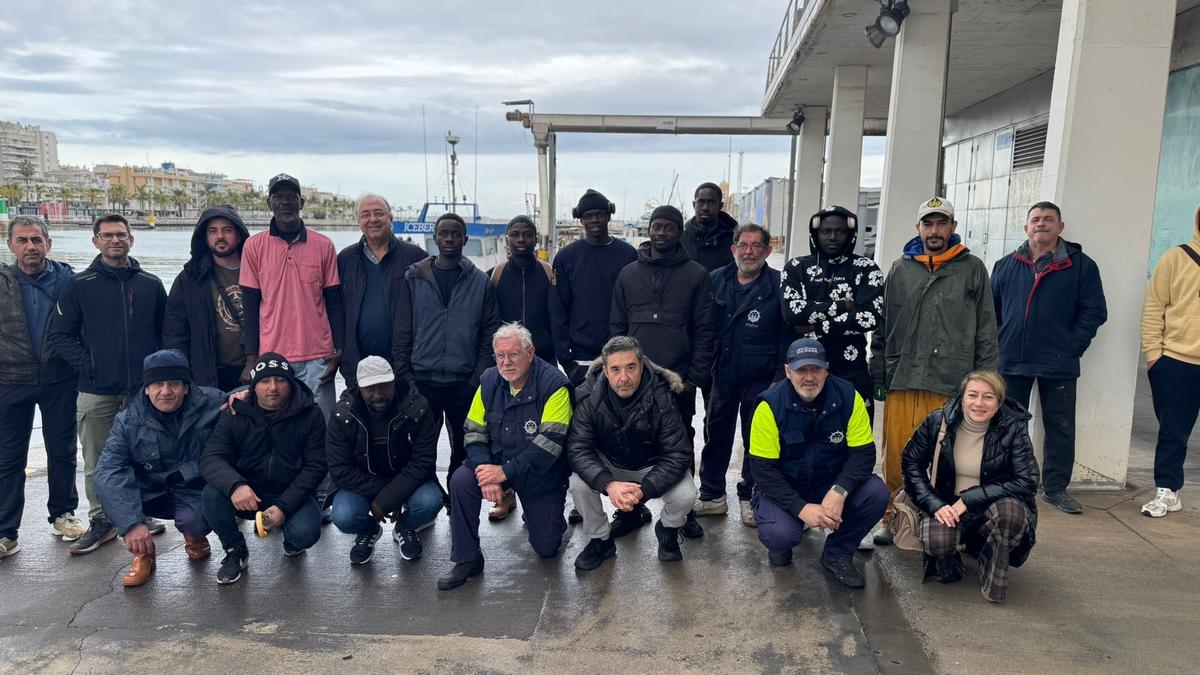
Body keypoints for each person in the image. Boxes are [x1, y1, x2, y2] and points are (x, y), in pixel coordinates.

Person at [869, 197, 997, 545]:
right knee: (896, 455)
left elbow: (986, 328)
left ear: (953, 227)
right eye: (928, 224)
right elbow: (882, 326)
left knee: (946, 460)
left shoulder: (972, 269)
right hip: (904, 378)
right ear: (919, 229)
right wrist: (878, 373)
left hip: (950, 381)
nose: (935, 230)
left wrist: (985, 382)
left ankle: (942, 522)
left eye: (942, 223)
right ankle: (893, 517)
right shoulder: (900, 268)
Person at [49, 212, 168, 555]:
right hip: (95, 390)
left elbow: (165, 335)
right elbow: (62, 336)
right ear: (96, 241)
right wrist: (92, 367)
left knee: (143, 456)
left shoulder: (150, 283)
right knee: (98, 460)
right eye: (107, 235)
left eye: (121, 235)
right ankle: (102, 520)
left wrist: (155, 377)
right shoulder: (79, 285)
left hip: (141, 391)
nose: (115, 240)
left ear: (131, 239)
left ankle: (138, 514)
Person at [992, 201, 1107, 515]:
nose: (1041, 224)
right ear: (1026, 226)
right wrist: (1001, 344)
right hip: (1012, 360)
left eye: (1048, 219)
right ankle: (1010, 481)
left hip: (1058, 361)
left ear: (1060, 227)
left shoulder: (1082, 266)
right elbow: (993, 313)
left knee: (1060, 426)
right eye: (1036, 219)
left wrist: (1072, 346)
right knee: (1008, 424)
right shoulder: (1005, 265)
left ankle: (1055, 489)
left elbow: (1095, 311)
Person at [438, 323, 572, 590]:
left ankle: (541, 515)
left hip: (538, 476)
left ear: (530, 353)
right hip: (497, 465)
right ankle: (467, 559)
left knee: (547, 548)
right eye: (500, 355)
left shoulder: (555, 385)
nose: (506, 362)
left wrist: (504, 473)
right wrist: (486, 472)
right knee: (461, 481)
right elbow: (473, 431)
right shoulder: (488, 381)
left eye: (513, 354)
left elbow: (548, 447)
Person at [611, 204, 716, 539]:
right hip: (634, 379)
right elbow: (617, 327)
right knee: (628, 441)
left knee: (681, 441)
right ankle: (630, 509)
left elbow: (704, 329)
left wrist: (695, 377)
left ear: (678, 232)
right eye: (657, 226)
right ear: (649, 230)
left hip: (678, 379)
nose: (662, 233)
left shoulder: (696, 274)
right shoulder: (628, 274)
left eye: (669, 228)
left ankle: (682, 512)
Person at [748, 339, 887, 589]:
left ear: (827, 369)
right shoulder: (768, 405)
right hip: (786, 487)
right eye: (801, 370)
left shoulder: (849, 396)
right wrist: (801, 508)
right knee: (780, 534)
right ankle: (784, 540)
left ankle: (837, 553)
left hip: (829, 484)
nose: (809, 377)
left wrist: (840, 490)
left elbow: (864, 454)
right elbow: (763, 470)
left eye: (816, 369)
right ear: (788, 371)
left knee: (876, 493)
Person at [901, 370, 1039, 603]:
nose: (979, 403)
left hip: (993, 505)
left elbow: (1027, 481)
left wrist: (969, 499)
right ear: (962, 397)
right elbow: (911, 462)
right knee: (937, 541)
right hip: (947, 503)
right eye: (972, 395)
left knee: (1011, 515)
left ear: (999, 401)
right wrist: (934, 504)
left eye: (988, 397)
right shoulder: (938, 420)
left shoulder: (1014, 427)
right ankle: (954, 556)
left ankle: (990, 556)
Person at [93, 350, 224, 587]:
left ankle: (194, 534)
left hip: (191, 487)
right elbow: (108, 472)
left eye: (174, 383)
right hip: (149, 490)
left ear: (186, 387)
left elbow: (248, 396)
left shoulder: (212, 403)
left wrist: (244, 395)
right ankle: (143, 555)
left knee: (199, 519)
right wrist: (131, 524)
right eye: (157, 384)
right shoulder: (127, 421)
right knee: (115, 495)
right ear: (146, 388)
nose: (165, 391)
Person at [567, 336, 697, 570]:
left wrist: (645, 489)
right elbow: (578, 448)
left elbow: (678, 453)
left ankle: (667, 529)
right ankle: (600, 540)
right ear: (605, 371)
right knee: (578, 484)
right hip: (611, 465)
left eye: (630, 368)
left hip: (652, 465)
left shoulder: (663, 395)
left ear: (642, 366)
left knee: (686, 494)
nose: (624, 377)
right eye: (615, 369)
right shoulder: (588, 396)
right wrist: (608, 484)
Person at [200, 352, 327, 584]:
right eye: (265, 381)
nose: (273, 388)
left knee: (306, 533)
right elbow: (211, 458)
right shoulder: (234, 412)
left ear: (291, 384)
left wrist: (284, 507)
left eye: (280, 381)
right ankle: (234, 550)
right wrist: (236, 485)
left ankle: (291, 539)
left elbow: (316, 466)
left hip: (290, 493)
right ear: (253, 386)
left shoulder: (311, 414)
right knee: (211, 494)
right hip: (248, 494)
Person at [0, 216, 84, 558]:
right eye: (23, 240)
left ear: (48, 243)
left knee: (62, 451)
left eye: (36, 239)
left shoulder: (69, 281)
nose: (30, 247)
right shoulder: (2, 282)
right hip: (10, 380)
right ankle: (6, 531)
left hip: (59, 379)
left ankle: (63, 514)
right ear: (11, 246)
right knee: (8, 457)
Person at [399, 212, 501, 488]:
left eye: (456, 234)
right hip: (422, 381)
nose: (449, 239)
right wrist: (407, 379)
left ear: (465, 239)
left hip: (463, 382)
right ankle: (428, 497)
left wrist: (475, 379)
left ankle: (457, 499)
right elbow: (403, 333)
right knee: (422, 447)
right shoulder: (414, 279)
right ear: (435, 238)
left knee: (465, 447)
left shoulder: (480, 282)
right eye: (444, 233)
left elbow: (488, 334)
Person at [695, 223, 786, 527]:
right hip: (722, 374)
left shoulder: (778, 285)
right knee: (716, 435)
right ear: (733, 249)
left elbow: (786, 334)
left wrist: (778, 378)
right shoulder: (716, 280)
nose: (749, 252)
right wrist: (704, 369)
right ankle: (712, 496)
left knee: (755, 440)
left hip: (761, 378)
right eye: (743, 245)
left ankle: (751, 496)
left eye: (756, 246)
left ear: (767, 250)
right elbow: (704, 329)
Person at [240, 173, 344, 419]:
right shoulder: (253, 247)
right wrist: (251, 358)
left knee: (323, 424)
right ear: (269, 204)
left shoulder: (324, 245)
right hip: (272, 357)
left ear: (301, 203)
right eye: (278, 197)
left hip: (317, 356)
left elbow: (334, 302)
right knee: (277, 427)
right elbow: (251, 306)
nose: (285, 202)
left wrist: (339, 349)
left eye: (291, 197)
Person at [326, 356, 442, 564]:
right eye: (370, 388)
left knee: (430, 502)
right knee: (343, 515)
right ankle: (368, 530)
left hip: (409, 479)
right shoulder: (341, 415)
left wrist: (389, 498)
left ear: (394, 382)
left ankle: (405, 527)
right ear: (359, 388)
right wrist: (384, 496)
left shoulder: (418, 408)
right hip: (362, 483)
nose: (378, 394)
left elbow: (423, 461)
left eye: (384, 386)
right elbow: (340, 470)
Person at [486, 214, 565, 521]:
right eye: (515, 235)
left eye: (527, 235)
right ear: (508, 239)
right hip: (507, 365)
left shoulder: (548, 272)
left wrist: (561, 360)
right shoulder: (496, 274)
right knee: (504, 429)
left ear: (535, 238)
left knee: (543, 430)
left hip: (542, 361)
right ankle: (506, 493)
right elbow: (490, 321)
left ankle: (545, 489)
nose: (521, 240)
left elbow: (557, 317)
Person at [782, 205, 884, 424]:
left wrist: (815, 326)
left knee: (856, 437)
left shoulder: (866, 268)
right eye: (826, 231)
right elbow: (792, 313)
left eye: (840, 231)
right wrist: (843, 306)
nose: (833, 237)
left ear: (851, 234)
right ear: (815, 233)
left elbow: (869, 317)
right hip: (805, 371)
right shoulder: (796, 267)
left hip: (851, 369)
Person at [1139, 205, 1200, 518]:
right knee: (1173, 432)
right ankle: (1168, 490)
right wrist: (1154, 355)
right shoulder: (1176, 258)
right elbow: (1154, 307)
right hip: (1178, 361)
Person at [336, 194, 426, 390]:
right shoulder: (344, 259)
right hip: (358, 368)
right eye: (365, 214)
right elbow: (335, 308)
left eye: (379, 213)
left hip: (406, 368)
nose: (373, 219)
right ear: (358, 221)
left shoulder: (416, 257)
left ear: (390, 218)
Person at [551, 190, 637, 387]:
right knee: (584, 417)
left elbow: (636, 306)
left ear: (609, 215)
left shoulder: (628, 255)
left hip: (622, 357)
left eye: (599, 214)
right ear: (580, 220)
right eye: (588, 216)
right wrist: (567, 362)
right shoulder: (566, 258)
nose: (595, 220)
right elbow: (557, 310)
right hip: (580, 360)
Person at [163, 204, 254, 391]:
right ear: (204, 237)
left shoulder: (259, 271)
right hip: (208, 375)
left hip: (254, 373)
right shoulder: (190, 278)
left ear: (239, 235)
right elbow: (175, 332)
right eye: (213, 231)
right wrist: (181, 375)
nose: (220, 236)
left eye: (227, 230)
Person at [683, 182, 738, 272]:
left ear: (720, 206)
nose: (705, 207)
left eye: (711, 202)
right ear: (694, 205)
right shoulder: (681, 239)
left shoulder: (734, 241)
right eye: (701, 202)